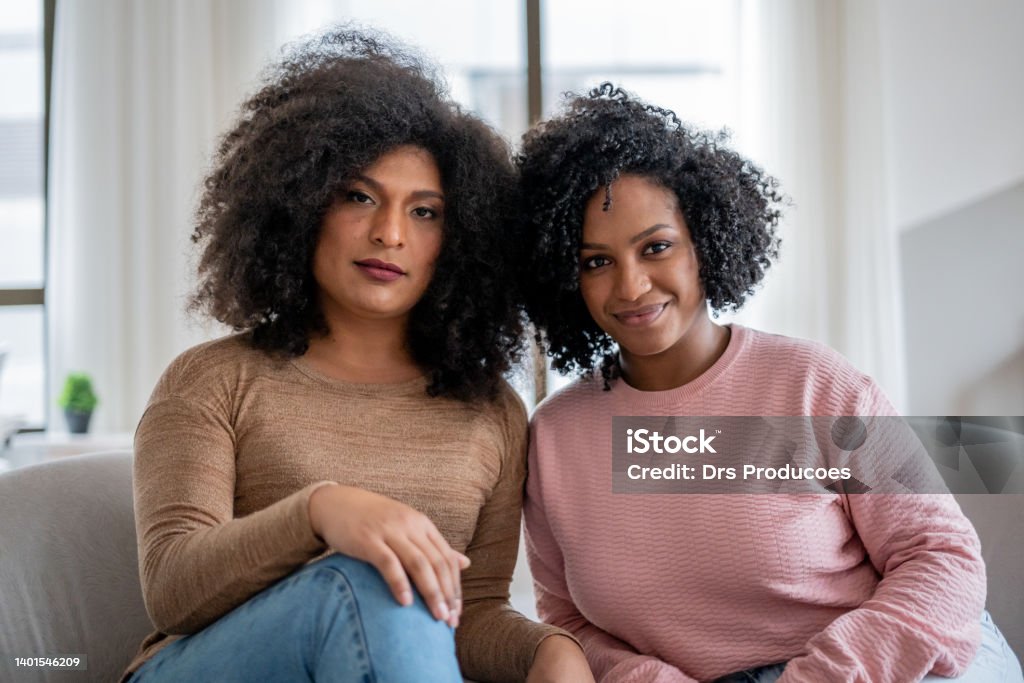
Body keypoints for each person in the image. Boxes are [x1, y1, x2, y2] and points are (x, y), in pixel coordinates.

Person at [124, 29, 591, 683]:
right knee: (371, 576)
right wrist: (322, 512)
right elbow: (172, 586)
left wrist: (548, 651)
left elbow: (473, 610)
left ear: (457, 239)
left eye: (425, 212)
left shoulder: (492, 412)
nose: (389, 233)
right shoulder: (213, 381)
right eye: (359, 196)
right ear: (302, 203)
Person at [517, 83, 1023, 683]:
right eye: (596, 261)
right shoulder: (554, 434)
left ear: (705, 245)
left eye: (656, 248)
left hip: (898, 661)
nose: (630, 286)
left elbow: (942, 559)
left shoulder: (814, 385)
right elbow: (568, 620)